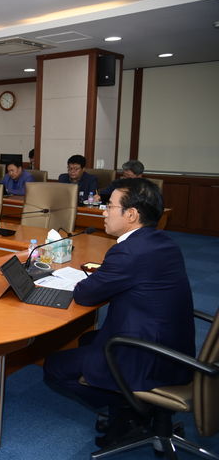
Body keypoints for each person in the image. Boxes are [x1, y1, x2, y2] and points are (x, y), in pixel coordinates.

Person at [43, 178, 195, 448]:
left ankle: (132, 408)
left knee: (54, 367)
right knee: (89, 340)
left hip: (149, 357)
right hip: (176, 348)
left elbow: (85, 294)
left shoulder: (128, 252)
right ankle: (130, 410)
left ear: (131, 214)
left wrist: (93, 279)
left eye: (110, 206)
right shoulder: (163, 241)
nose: (103, 211)